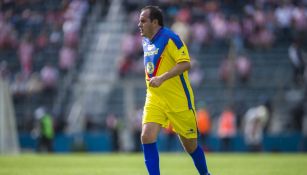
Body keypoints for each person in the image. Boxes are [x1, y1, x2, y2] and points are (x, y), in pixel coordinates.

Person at [138, 6, 210, 175]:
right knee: (146, 136)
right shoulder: (145, 41)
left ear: (155, 22)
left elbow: (186, 63)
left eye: (143, 21)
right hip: (155, 97)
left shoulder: (170, 38)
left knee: (190, 146)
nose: (139, 24)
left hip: (178, 99)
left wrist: (162, 78)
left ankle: (205, 174)